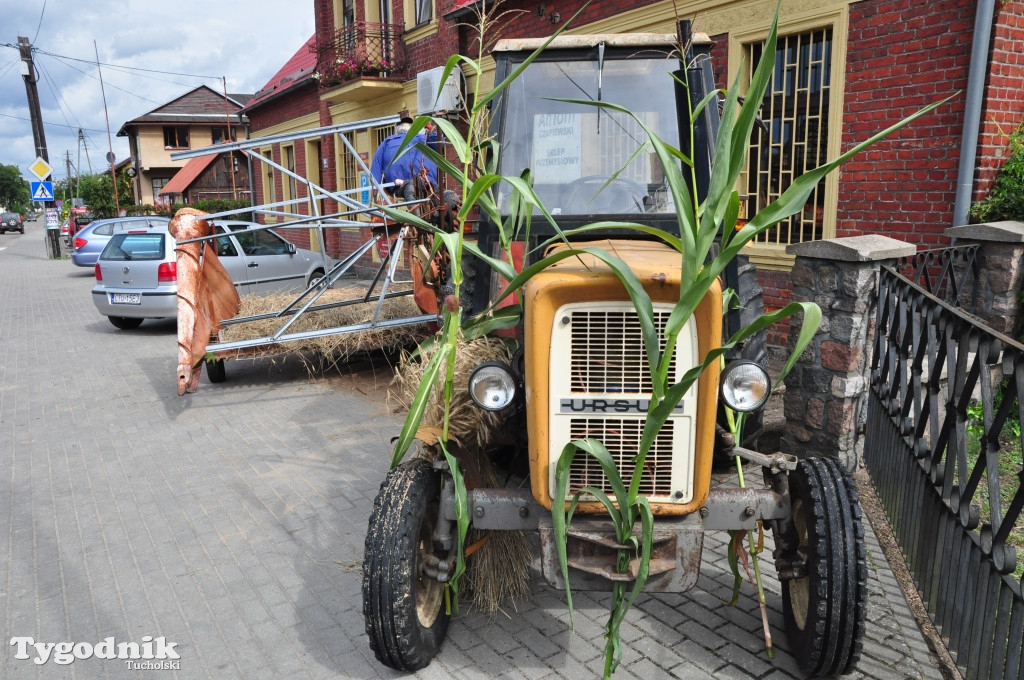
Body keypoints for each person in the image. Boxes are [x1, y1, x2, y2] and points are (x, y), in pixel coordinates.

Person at [370, 115, 439, 202]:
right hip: (422, 184)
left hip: (419, 184)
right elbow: (439, 143)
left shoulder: (388, 142)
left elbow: (376, 167)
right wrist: (432, 130)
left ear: (397, 129)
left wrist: (375, 191)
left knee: (411, 190)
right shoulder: (422, 138)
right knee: (411, 190)